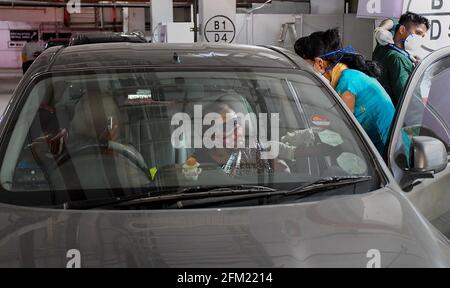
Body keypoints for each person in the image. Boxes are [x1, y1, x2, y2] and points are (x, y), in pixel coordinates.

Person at [294, 28, 395, 154]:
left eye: (308, 66)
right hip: (383, 151)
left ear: (320, 64)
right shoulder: (349, 75)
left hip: (387, 156)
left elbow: (343, 132)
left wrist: (302, 143)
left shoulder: (347, 83)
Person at [373, 12, 430, 108]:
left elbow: (393, 22)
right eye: (418, 33)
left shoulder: (383, 46)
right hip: (396, 116)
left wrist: (382, 29)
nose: (419, 38)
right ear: (402, 30)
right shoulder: (399, 59)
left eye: (422, 36)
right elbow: (409, 100)